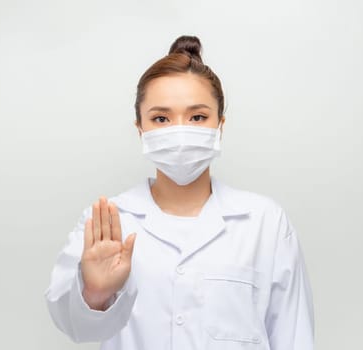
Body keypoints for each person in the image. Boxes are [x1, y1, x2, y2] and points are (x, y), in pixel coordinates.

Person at [44, 35, 314, 350]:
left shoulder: (265, 223)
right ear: (140, 129)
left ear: (220, 126)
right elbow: (74, 326)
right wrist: (94, 293)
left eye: (198, 116)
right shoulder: (108, 222)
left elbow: (294, 338)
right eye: (161, 118)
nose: (180, 131)